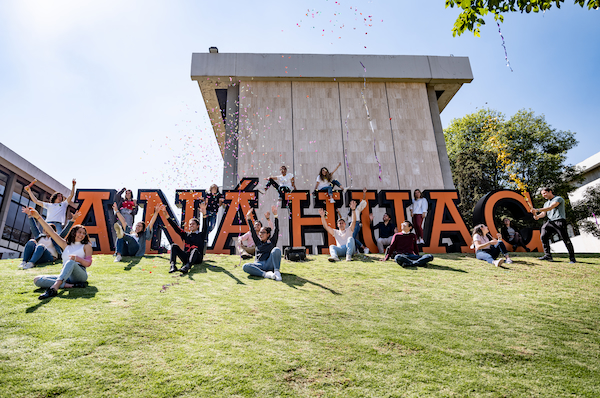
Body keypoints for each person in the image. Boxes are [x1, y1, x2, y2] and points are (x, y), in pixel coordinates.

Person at [25, 207, 93, 300]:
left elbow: (88, 263)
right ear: (73, 233)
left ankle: (54, 288)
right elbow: (51, 231)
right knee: (37, 280)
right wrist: (38, 217)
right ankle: (71, 286)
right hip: (67, 276)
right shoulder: (65, 245)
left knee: (70, 261)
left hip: (80, 275)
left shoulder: (86, 246)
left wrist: (77, 259)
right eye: (79, 232)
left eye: (83, 233)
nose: (81, 235)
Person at [163, 201, 209, 274]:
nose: (191, 226)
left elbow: (205, 227)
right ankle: (173, 266)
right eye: (190, 224)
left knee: (195, 250)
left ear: (198, 226)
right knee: (174, 246)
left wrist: (204, 214)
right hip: (186, 257)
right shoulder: (186, 235)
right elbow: (176, 228)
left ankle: (187, 267)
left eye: (193, 224)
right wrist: (167, 216)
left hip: (197, 258)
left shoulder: (201, 235)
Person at [533, 187, 576, 263]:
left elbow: (550, 208)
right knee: (543, 236)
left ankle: (572, 258)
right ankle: (548, 256)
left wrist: (537, 210)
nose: (543, 195)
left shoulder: (558, 199)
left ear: (550, 191)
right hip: (550, 222)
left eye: (544, 193)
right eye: (542, 194)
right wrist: (537, 216)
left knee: (565, 239)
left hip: (559, 221)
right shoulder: (546, 203)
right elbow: (543, 214)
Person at [242, 205, 282, 281]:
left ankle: (277, 272)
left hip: (269, 263)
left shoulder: (272, 241)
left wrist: (275, 215)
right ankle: (266, 274)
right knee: (245, 266)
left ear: (268, 234)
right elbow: (252, 231)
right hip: (258, 264)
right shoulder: (257, 242)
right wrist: (248, 217)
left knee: (276, 249)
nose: (260, 234)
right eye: (260, 232)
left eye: (263, 232)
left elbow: (277, 230)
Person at [336, 188, 369, 253]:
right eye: (351, 203)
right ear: (350, 205)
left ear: (356, 204)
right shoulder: (349, 212)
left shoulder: (357, 209)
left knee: (352, 238)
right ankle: (356, 250)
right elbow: (343, 219)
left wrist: (364, 193)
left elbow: (363, 201)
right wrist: (338, 212)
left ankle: (364, 248)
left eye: (354, 202)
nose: (353, 204)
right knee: (351, 238)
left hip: (356, 224)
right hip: (350, 225)